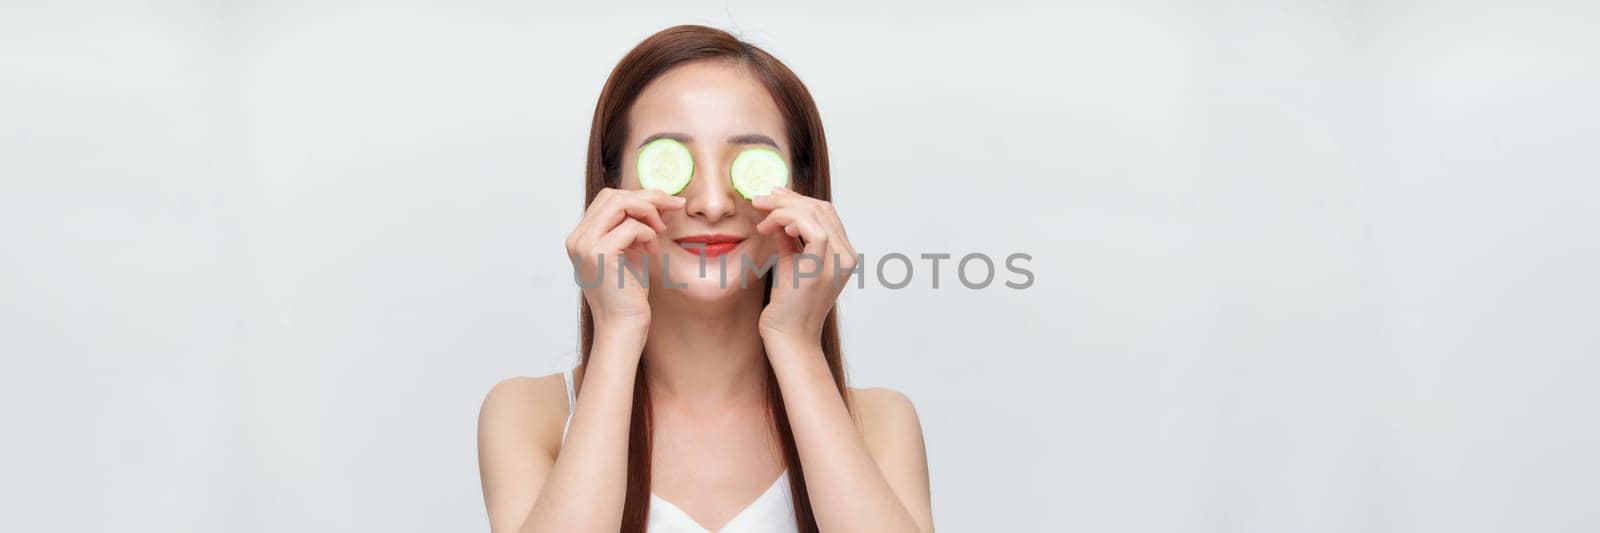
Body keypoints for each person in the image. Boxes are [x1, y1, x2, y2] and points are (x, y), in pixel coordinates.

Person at [478, 25, 933, 533]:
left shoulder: (879, 422)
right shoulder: (529, 415)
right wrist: (618, 331)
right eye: (672, 163)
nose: (713, 203)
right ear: (612, 188)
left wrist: (796, 343)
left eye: (748, 164)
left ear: (802, 192)